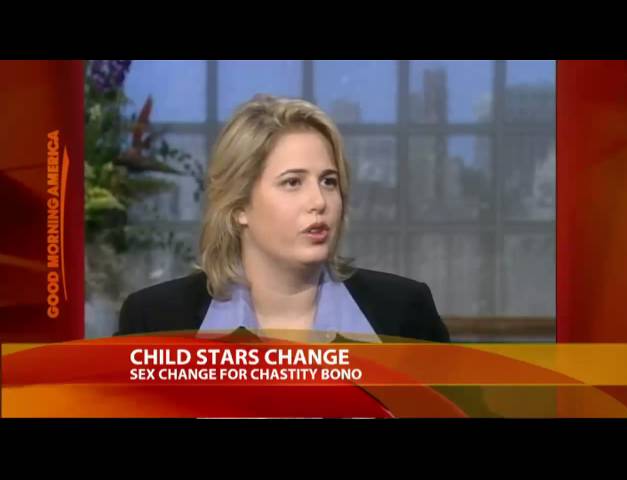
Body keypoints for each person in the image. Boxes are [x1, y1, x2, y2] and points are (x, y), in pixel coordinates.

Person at [117, 95, 449, 343]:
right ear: (239, 205)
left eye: (328, 181)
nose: (319, 201)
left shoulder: (405, 314)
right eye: (293, 182)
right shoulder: (154, 321)